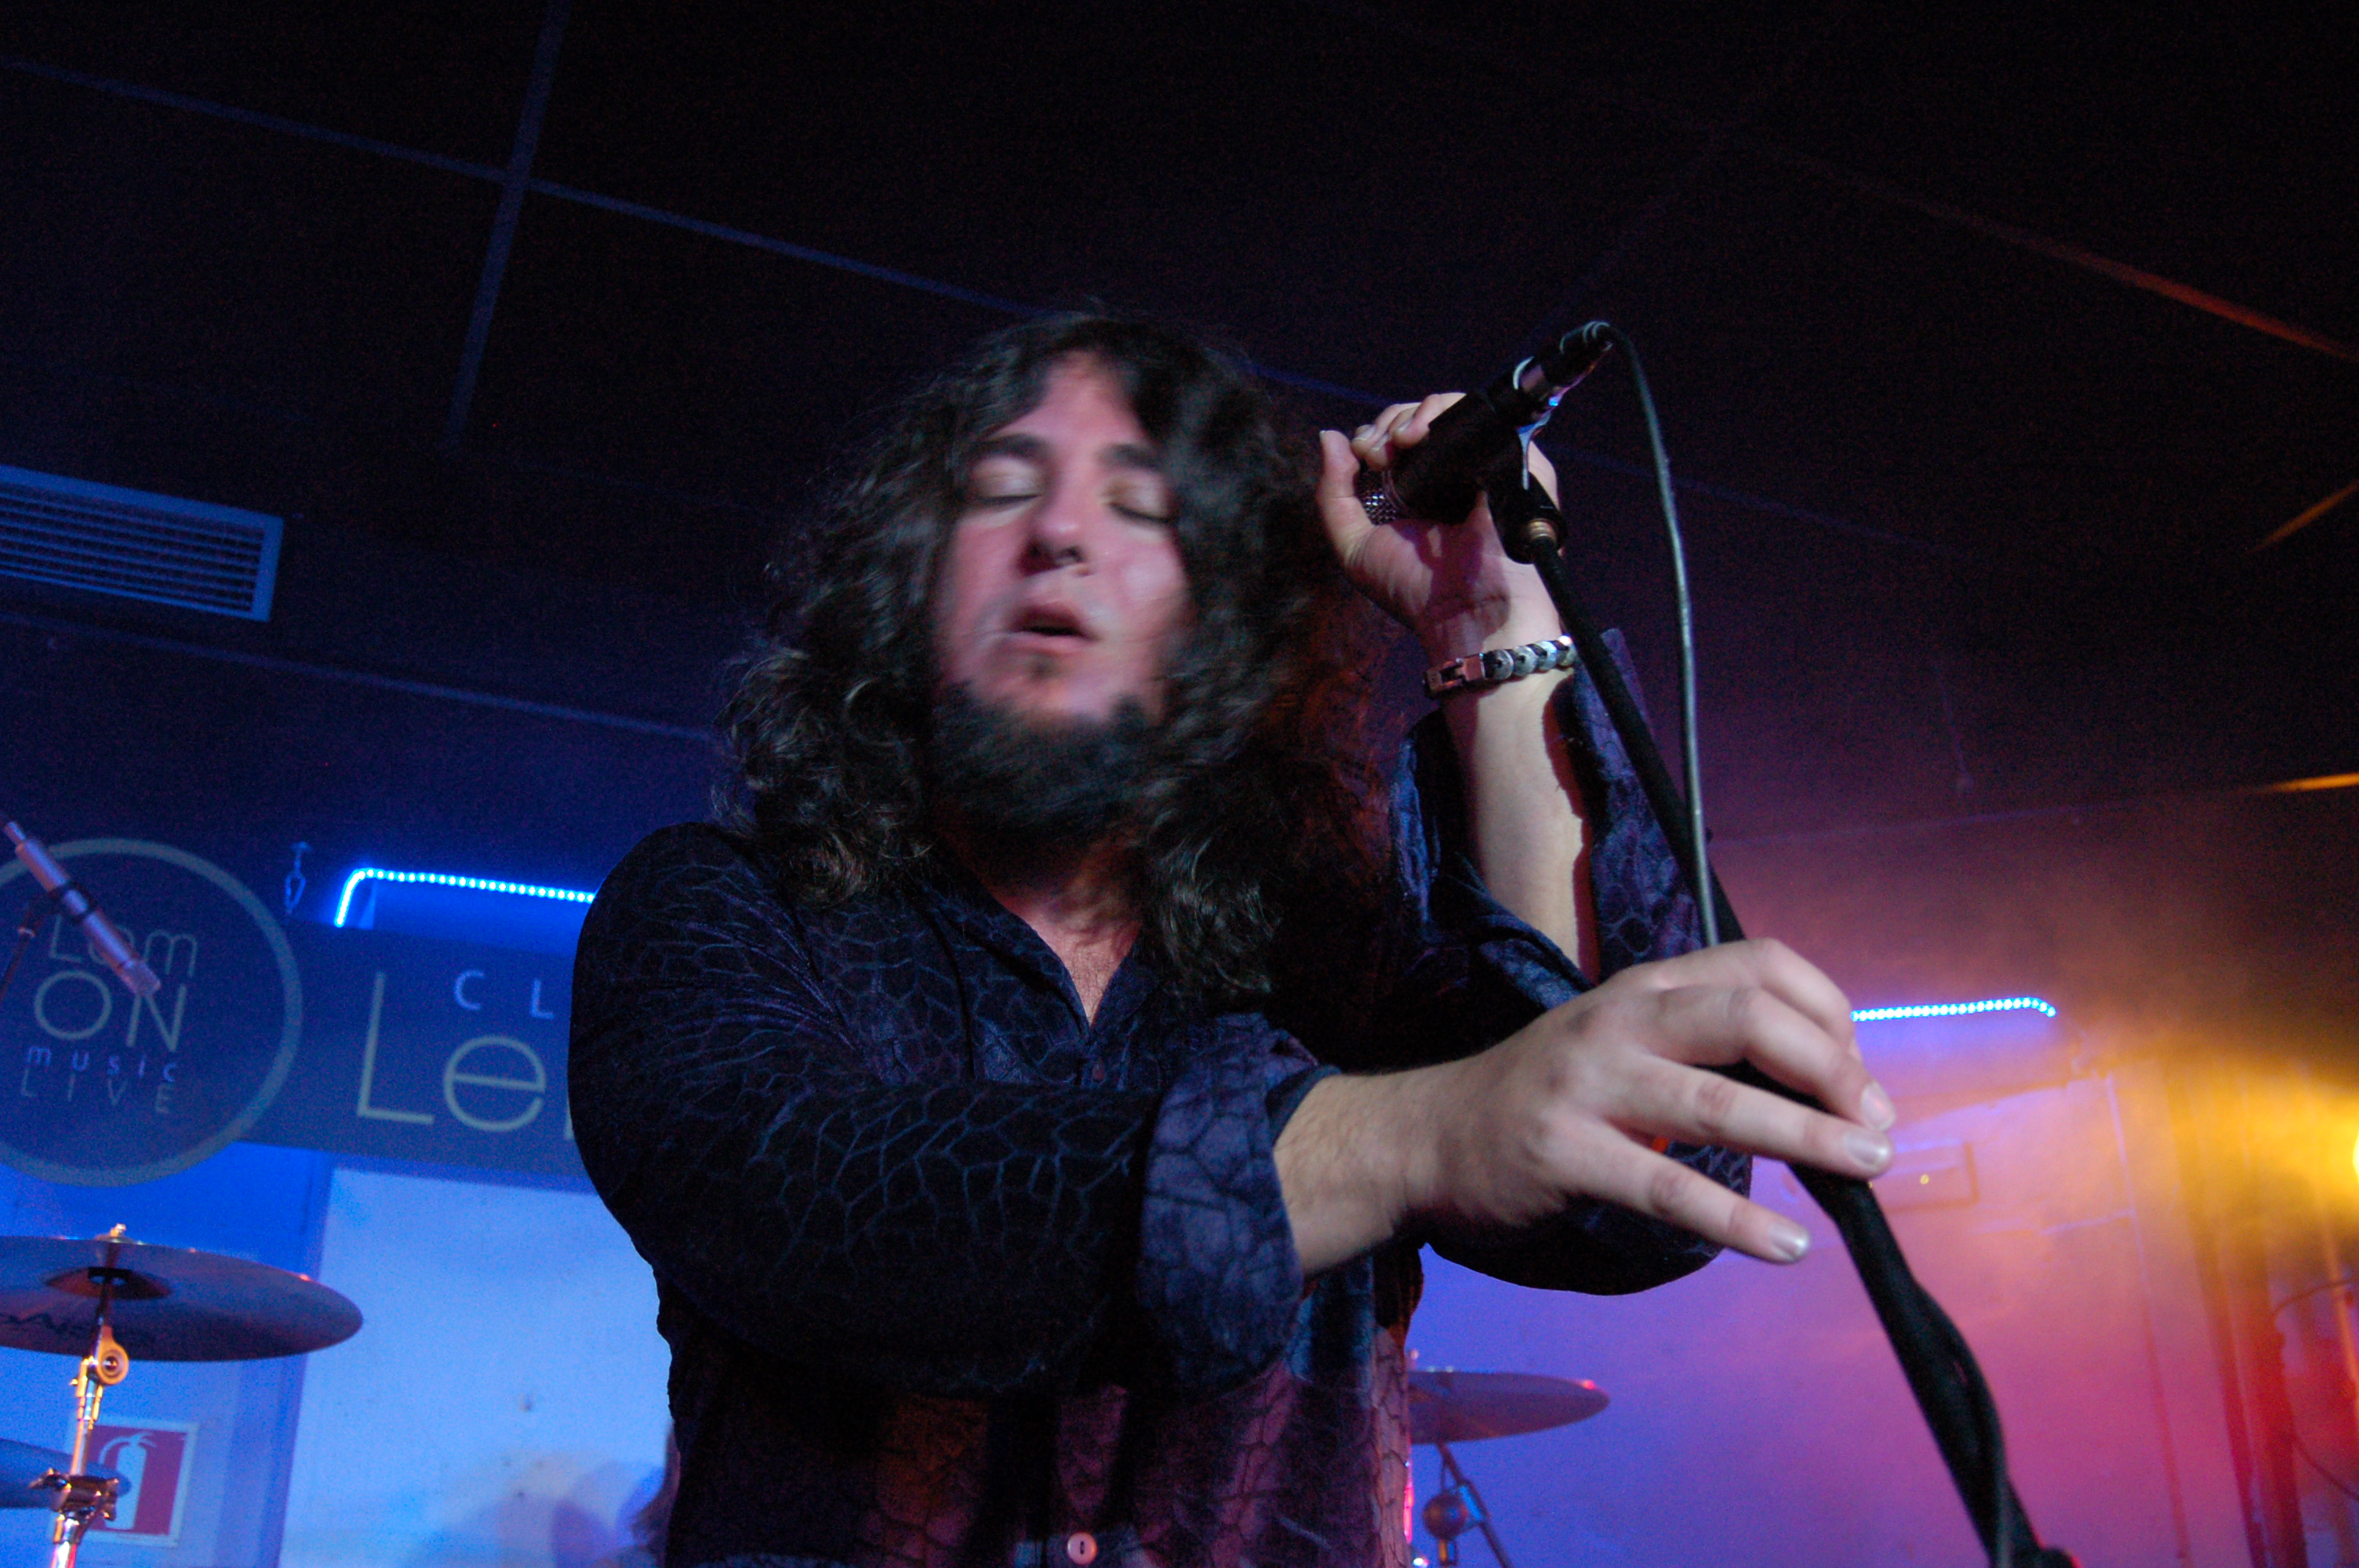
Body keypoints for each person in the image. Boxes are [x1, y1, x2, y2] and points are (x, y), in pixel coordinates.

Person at [569, 314, 1894, 1568]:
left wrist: (1490, 628)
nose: (1060, 533)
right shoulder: (718, 904)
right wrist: (1414, 1137)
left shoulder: (1328, 955)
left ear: (1223, 620)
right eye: (1001, 490)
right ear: (906, 586)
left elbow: (1638, 1194)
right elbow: (798, 1199)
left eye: (1143, 507)